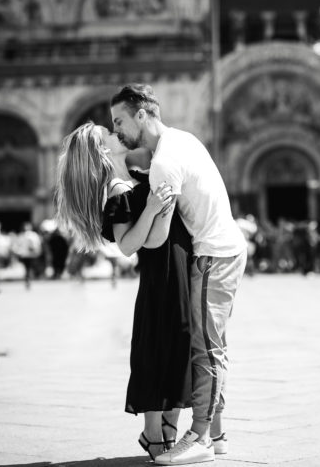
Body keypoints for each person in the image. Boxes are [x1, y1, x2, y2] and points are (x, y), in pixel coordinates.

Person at [110, 84, 247, 465]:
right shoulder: (181, 139)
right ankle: (216, 435)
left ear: (142, 114)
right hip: (224, 249)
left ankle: (200, 436)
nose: (117, 130)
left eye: (119, 120)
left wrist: (147, 214)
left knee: (206, 350)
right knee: (210, 345)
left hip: (213, 255)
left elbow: (154, 242)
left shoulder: (164, 164)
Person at [54, 122, 192, 461]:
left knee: (179, 342)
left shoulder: (134, 175)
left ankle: (167, 429)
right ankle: (154, 434)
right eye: (110, 135)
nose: (119, 136)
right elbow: (129, 245)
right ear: (104, 151)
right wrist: (151, 209)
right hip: (159, 275)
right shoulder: (118, 189)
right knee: (157, 347)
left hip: (174, 265)